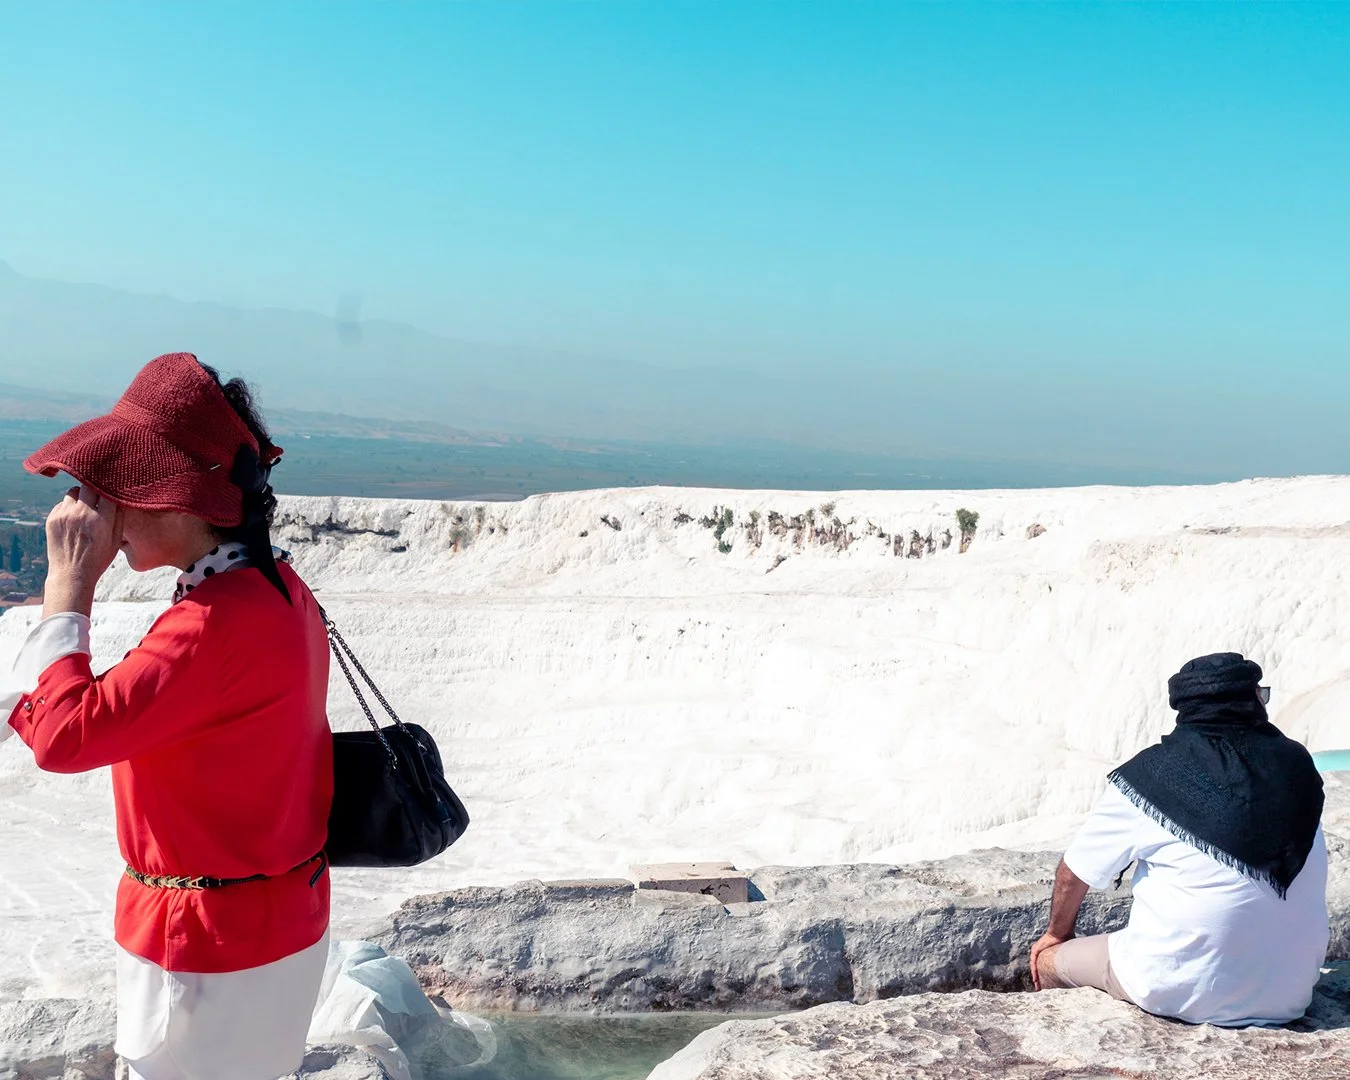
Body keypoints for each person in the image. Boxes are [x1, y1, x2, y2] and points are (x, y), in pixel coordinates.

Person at [0, 353, 334, 1079]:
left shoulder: (212, 628)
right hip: (274, 936)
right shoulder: (278, 592)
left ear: (184, 499)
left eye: (119, 483)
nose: (100, 505)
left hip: (204, 962)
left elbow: (63, 739)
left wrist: (68, 583)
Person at [1030, 652, 1328, 1027]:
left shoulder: (1153, 777)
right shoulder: (1296, 766)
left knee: (1049, 958)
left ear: (1186, 710)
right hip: (1289, 996)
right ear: (1253, 702)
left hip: (1175, 989)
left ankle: (1059, 1031)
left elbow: (1074, 873)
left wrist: (1057, 933)